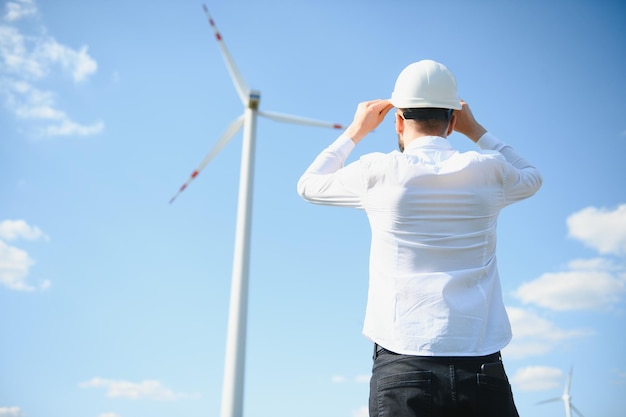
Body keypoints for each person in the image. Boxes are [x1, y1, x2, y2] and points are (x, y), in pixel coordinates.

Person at [297, 60, 542, 417]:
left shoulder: (377, 171)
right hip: (481, 364)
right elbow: (532, 176)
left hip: (403, 363)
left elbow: (309, 185)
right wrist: (478, 132)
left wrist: (355, 131)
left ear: (398, 120)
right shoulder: (490, 170)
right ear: (453, 121)